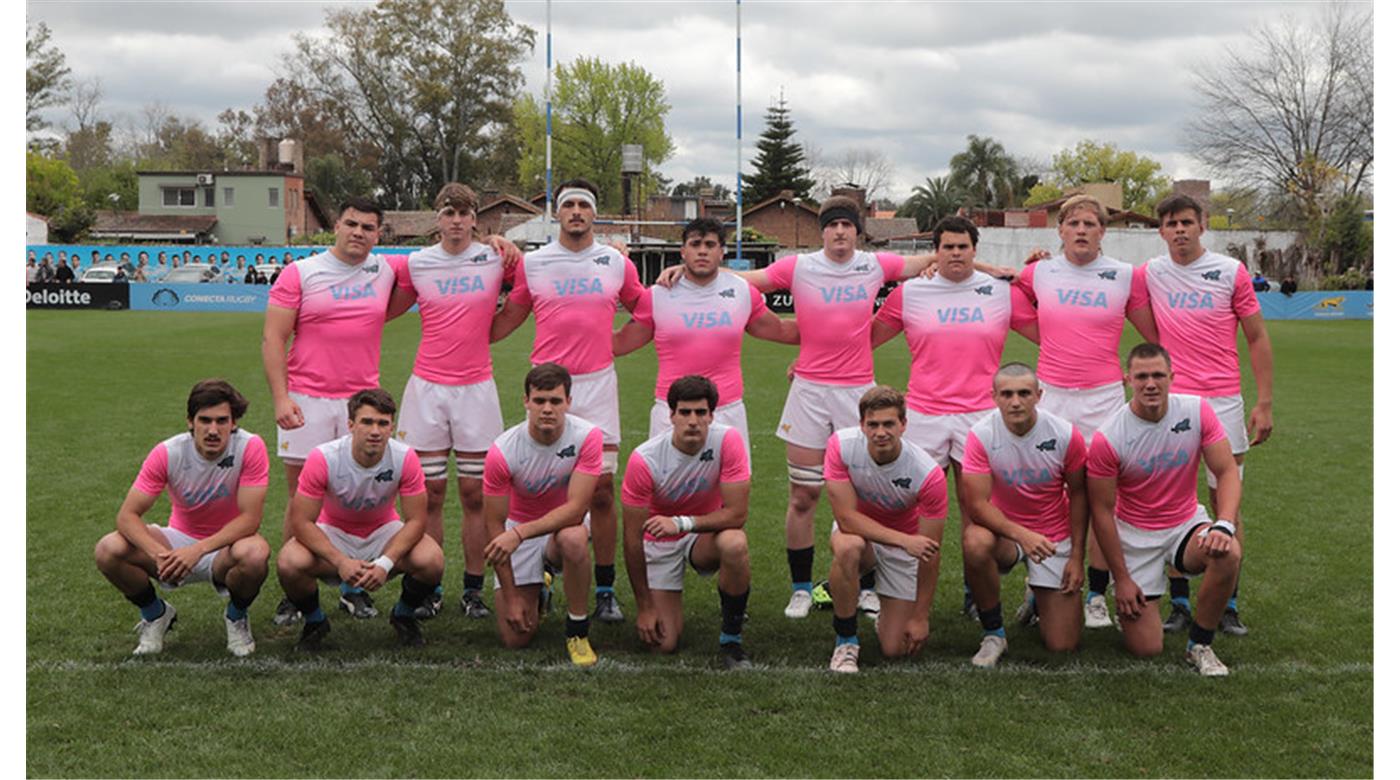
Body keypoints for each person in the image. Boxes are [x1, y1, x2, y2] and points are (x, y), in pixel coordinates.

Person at [656, 195, 955, 619]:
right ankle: (800, 588)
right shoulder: (798, 267)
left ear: (857, 231)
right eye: (832, 226)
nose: (839, 233)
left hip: (858, 394)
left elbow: (943, 254)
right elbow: (744, 279)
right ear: (823, 231)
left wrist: (988, 268)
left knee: (868, 494)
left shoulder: (874, 265)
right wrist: (684, 271)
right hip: (810, 392)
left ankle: (866, 585)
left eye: (847, 226)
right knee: (803, 494)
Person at [491, 178, 646, 624]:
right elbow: (511, 315)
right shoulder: (534, 263)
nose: (576, 211)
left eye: (584, 205)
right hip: (547, 387)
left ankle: (603, 588)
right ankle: (542, 568)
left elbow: (646, 311)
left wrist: (613, 345)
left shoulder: (615, 262)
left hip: (597, 386)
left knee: (599, 492)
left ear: (595, 213)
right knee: (542, 484)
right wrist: (467, 336)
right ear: (556, 213)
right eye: (568, 205)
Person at [871, 214, 1036, 622]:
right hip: (925, 414)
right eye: (948, 247)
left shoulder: (1001, 293)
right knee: (906, 508)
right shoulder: (910, 293)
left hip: (980, 416)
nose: (956, 253)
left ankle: (975, 596)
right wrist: (809, 364)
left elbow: (1053, 334)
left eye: (963, 247)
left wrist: (1032, 273)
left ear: (975, 251)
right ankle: (895, 591)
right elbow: (864, 341)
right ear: (936, 251)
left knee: (976, 513)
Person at [1013, 195, 1157, 629]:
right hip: (1051, 395)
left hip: (1103, 399)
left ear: (1103, 232)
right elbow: (1014, 302)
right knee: (1048, 497)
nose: (1081, 229)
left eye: (1090, 223)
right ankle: (1039, 591)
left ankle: (1097, 592)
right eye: (1072, 222)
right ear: (1059, 230)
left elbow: (1151, 333)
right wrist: (1054, 342)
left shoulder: (1124, 275)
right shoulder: (1037, 272)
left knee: (1101, 499)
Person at [386, 182, 522, 620]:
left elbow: (527, 293)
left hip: (476, 389)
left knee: (475, 493)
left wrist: (495, 331)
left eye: (465, 213)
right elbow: (380, 300)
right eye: (449, 213)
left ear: (476, 219)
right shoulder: (417, 263)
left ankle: (474, 589)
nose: (457, 221)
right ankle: (431, 585)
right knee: (429, 493)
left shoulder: (496, 257)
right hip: (426, 389)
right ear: (437, 218)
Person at [1139, 194, 1272, 635]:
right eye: (1171, 224)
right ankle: (1178, 603)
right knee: (1169, 501)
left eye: (1186, 222)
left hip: (1223, 402)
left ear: (1202, 226)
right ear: (1160, 231)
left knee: (1225, 503)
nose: (1179, 230)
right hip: (1173, 401)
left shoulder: (1229, 271)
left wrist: (1264, 401)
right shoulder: (1151, 273)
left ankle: (1227, 601)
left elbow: (1256, 337)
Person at [263, 197, 398, 625]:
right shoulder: (301, 272)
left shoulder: (388, 270)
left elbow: (443, 260)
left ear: (379, 235)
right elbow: (273, 339)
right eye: (352, 224)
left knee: (357, 499)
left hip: (363, 405)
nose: (359, 233)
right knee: (301, 499)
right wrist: (282, 398)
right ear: (336, 226)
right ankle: (294, 591)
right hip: (308, 399)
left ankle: (352, 587)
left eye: (369, 227)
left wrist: (496, 244)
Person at [1086, 343, 1243, 676]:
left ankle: (1199, 644)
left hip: (1185, 524)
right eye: (1141, 376)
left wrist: (1224, 524)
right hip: (1134, 536)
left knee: (1228, 552)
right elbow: (1101, 511)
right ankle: (1127, 597)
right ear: (1128, 379)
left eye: (1158, 375)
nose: (1151, 384)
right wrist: (1123, 578)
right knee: (1146, 648)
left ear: (1172, 377)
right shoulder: (1109, 436)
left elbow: (1227, 470)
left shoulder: (1197, 410)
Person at [93, 380, 271, 656]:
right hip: (177, 541)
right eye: (205, 420)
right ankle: (155, 614)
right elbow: (127, 516)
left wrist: (197, 550)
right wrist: (159, 554)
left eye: (222, 421)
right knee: (108, 549)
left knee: (255, 553)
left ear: (234, 423)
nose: (213, 430)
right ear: (190, 421)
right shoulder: (168, 452)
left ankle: (236, 617)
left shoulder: (250, 447)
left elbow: (250, 520)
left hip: (226, 545)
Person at [275, 388, 442, 650]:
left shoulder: (404, 457)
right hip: (334, 532)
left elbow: (417, 521)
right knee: (289, 561)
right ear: (351, 425)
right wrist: (340, 561)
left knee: (432, 559)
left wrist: (386, 563)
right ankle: (315, 621)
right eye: (367, 422)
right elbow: (301, 522)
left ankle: (403, 615)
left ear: (392, 427)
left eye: (382, 423)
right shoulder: (323, 457)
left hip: (383, 532)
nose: (375, 431)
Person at [613, 216, 798, 443]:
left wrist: (842, 332)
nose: (702, 251)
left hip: (727, 410)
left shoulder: (741, 292)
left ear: (722, 252)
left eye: (710, 245)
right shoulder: (657, 295)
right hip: (671, 411)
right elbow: (620, 343)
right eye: (695, 244)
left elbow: (782, 330)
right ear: (683, 251)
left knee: (733, 479)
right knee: (667, 479)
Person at [620, 375, 754, 668]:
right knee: (662, 643)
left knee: (735, 542)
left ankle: (731, 639)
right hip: (658, 542)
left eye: (700, 413)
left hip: (700, 533)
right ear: (671, 415)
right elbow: (631, 539)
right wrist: (644, 608)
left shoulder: (728, 440)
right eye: (685, 412)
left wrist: (681, 523)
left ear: (712, 415)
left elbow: (737, 514)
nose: (693, 421)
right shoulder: (645, 459)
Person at [960, 363, 1088, 667]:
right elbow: (976, 505)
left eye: (1023, 393)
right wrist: (1022, 535)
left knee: (1063, 645)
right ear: (993, 397)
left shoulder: (1065, 434)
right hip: (1007, 535)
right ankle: (994, 634)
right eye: (1006, 394)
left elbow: (1080, 494)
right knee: (975, 541)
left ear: (1039, 395)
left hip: (1053, 537)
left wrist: (1076, 557)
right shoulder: (981, 435)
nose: (1015, 401)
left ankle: (1037, 596)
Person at [482, 364, 604, 666]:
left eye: (555, 401)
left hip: (559, 527)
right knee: (515, 638)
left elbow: (576, 509)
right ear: (526, 401)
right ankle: (541, 586)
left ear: (569, 403)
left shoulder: (587, 437)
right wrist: (511, 597)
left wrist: (520, 534)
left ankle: (577, 630)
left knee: (574, 537)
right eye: (539, 401)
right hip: (517, 528)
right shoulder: (503, 450)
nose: (547, 409)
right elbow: (495, 526)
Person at [822, 386, 945, 673]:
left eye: (889, 424)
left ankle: (885, 609)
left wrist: (920, 617)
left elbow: (929, 551)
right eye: (873, 424)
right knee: (847, 547)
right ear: (862, 425)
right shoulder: (841, 445)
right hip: (865, 537)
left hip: (905, 548)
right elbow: (847, 520)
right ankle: (846, 642)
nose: (880, 432)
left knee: (896, 649)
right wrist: (904, 540)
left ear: (903, 425)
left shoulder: (927, 473)